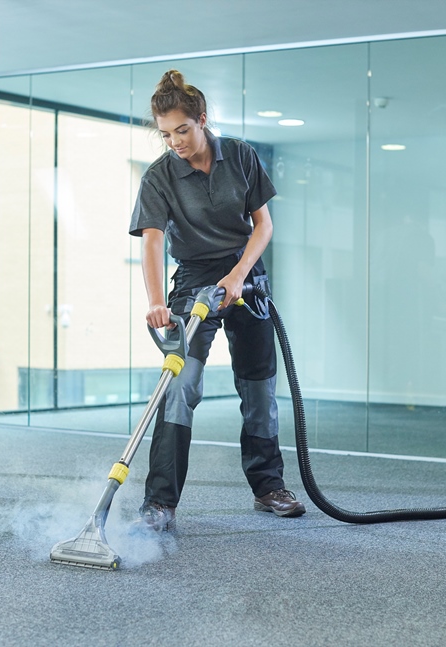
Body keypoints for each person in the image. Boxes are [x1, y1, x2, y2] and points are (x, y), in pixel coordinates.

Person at [128, 69, 305, 531]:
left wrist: (238, 276)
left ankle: (269, 487)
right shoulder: (159, 176)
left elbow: (263, 225)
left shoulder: (241, 156)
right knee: (181, 384)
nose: (175, 142)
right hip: (193, 279)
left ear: (202, 120)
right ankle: (160, 501)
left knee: (259, 386)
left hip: (244, 273)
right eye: (166, 134)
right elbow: (150, 241)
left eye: (182, 130)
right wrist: (155, 302)